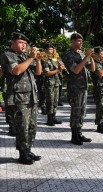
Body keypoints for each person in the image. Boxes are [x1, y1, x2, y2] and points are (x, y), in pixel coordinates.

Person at [0, 32, 42, 164]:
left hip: (31, 97)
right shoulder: (7, 55)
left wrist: (38, 59)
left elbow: (38, 72)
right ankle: (22, 154)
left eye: (25, 43)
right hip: (18, 98)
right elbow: (16, 70)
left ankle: (28, 150)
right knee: (22, 127)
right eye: (20, 42)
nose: (23, 45)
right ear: (12, 43)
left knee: (32, 126)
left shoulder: (25, 56)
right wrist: (30, 58)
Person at [62, 33, 94, 145]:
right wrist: (86, 57)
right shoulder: (68, 55)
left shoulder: (81, 53)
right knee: (76, 112)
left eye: (81, 41)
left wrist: (90, 57)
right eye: (79, 41)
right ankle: (74, 135)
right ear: (73, 41)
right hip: (75, 88)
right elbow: (75, 70)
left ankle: (79, 133)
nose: (81, 43)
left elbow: (92, 68)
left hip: (83, 87)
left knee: (81, 112)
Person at [42, 44, 65, 126]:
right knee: (50, 101)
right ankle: (49, 119)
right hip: (49, 83)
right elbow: (47, 73)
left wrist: (60, 66)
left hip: (56, 82)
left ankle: (53, 117)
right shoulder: (45, 59)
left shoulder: (53, 59)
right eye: (50, 49)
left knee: (55, 101)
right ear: (45, 50)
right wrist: (58, 69)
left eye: (53, 49)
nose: (52, 51)